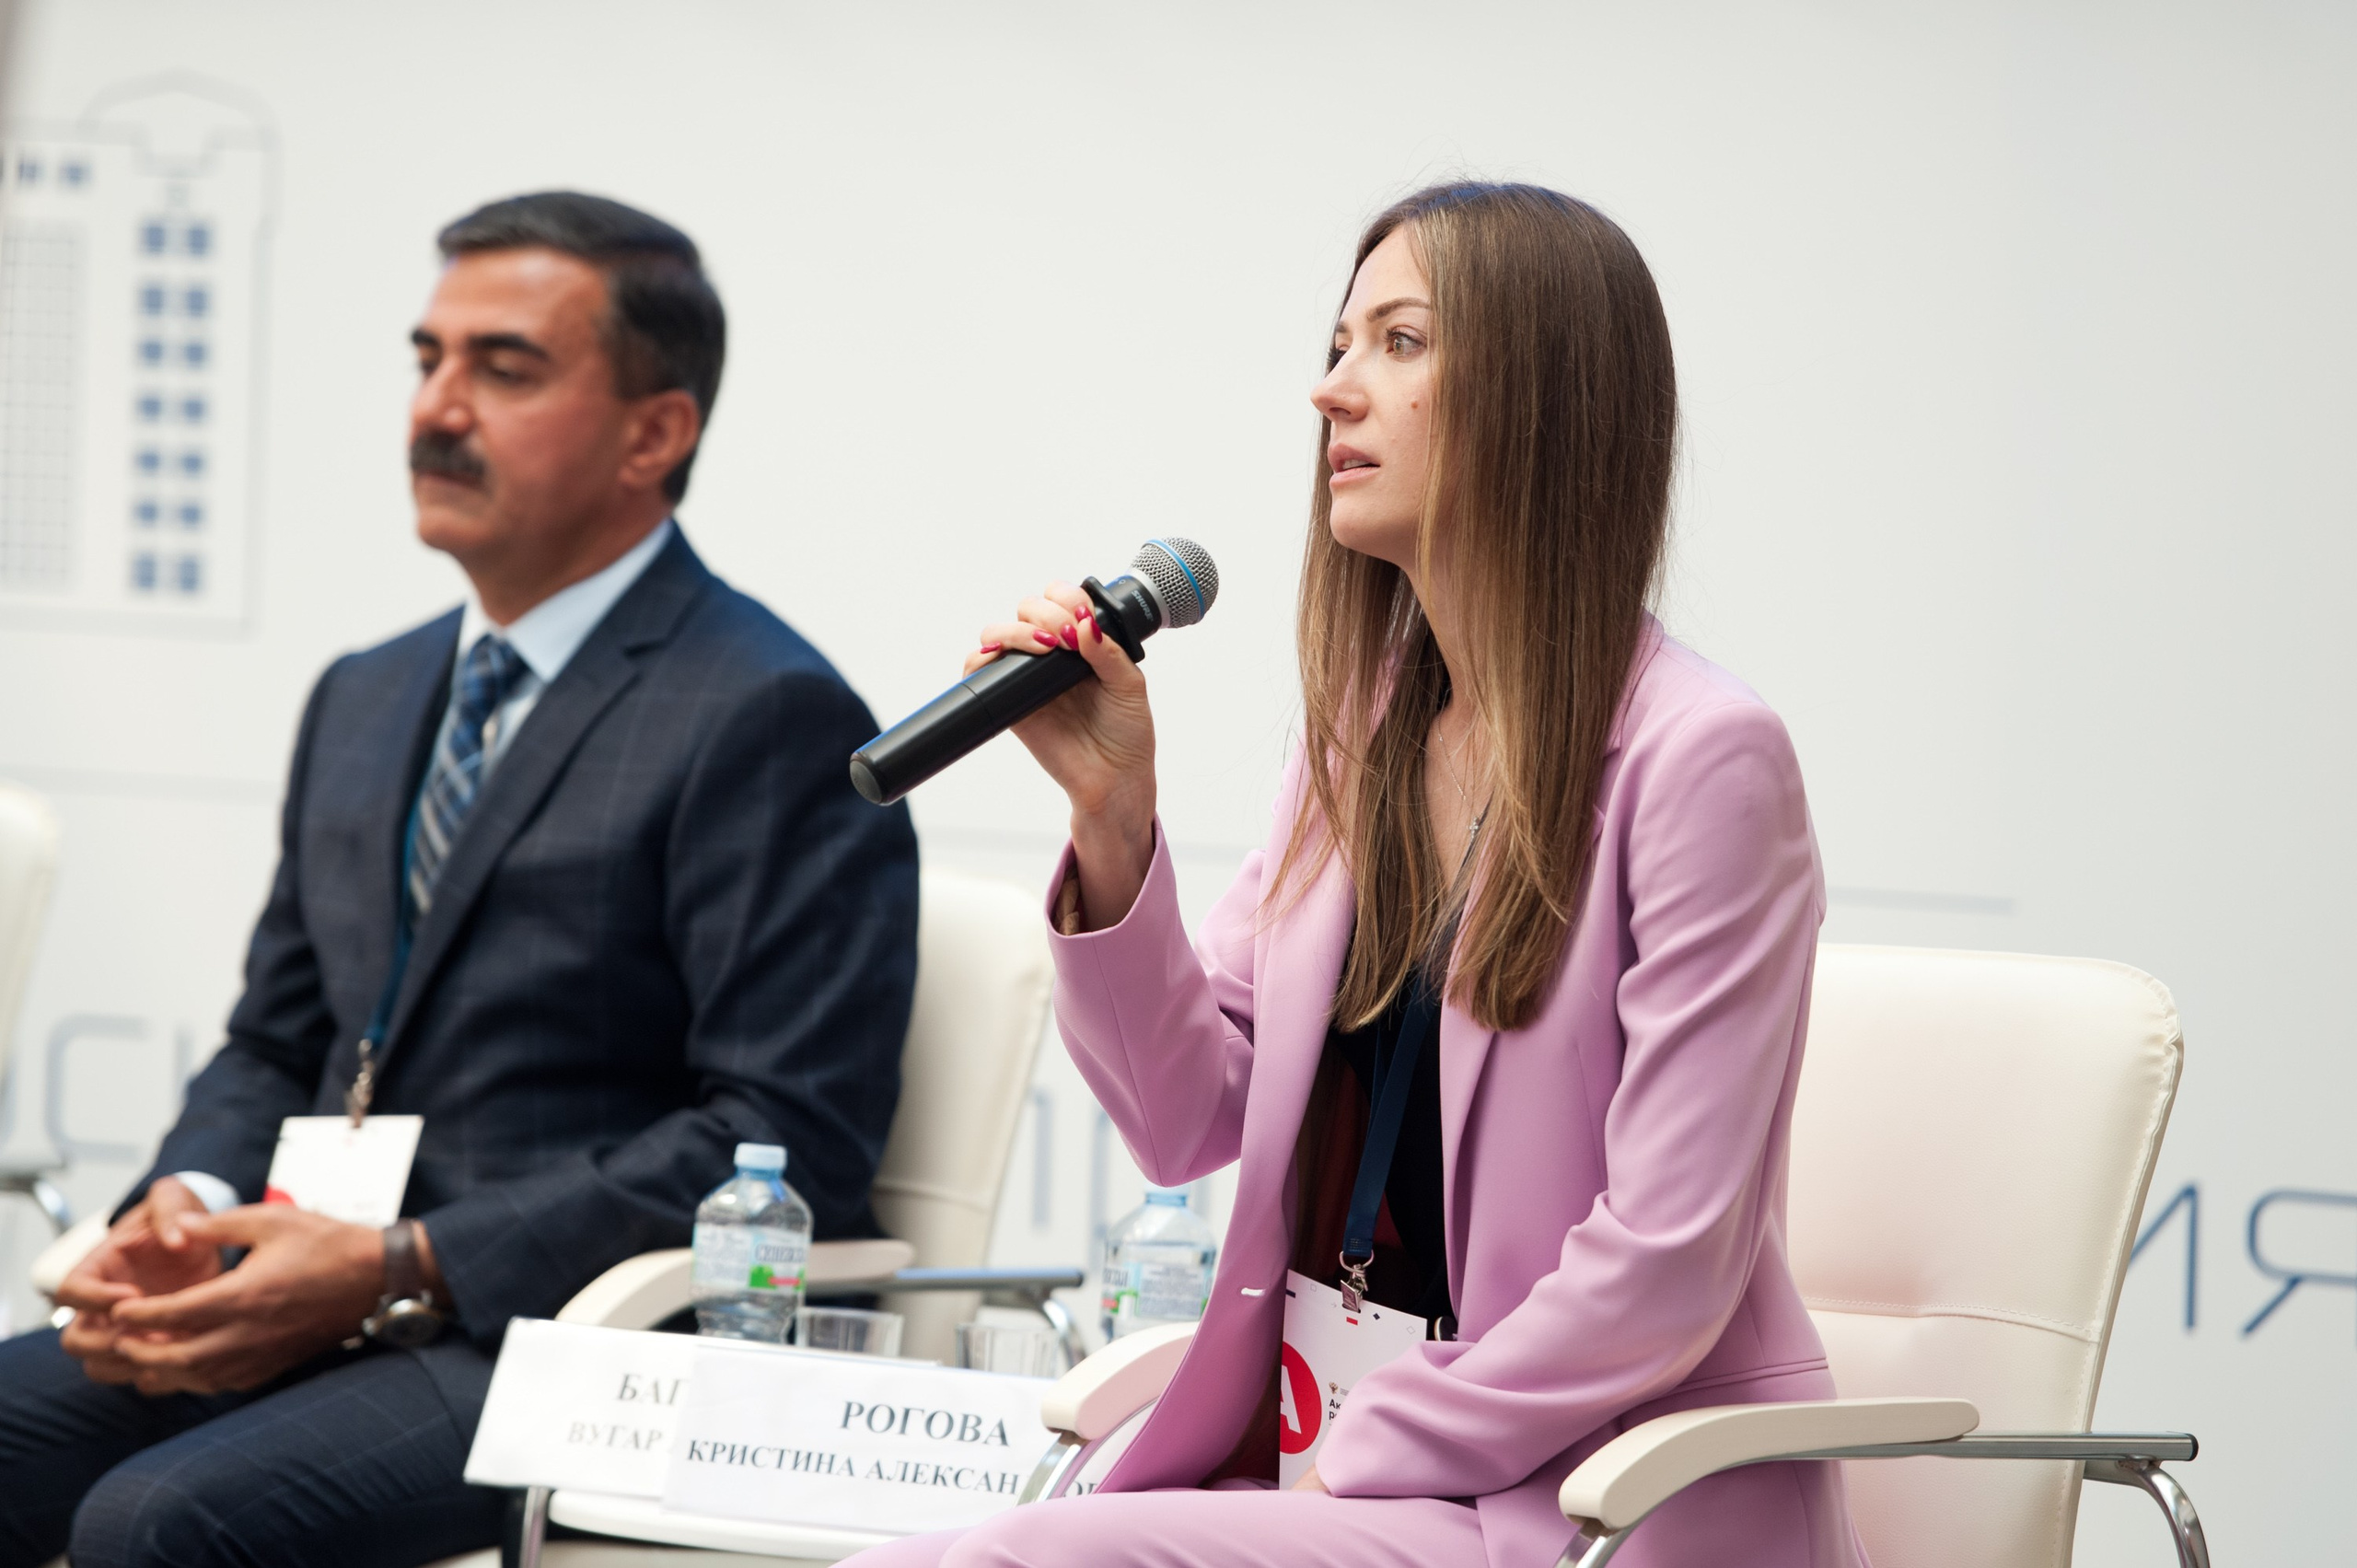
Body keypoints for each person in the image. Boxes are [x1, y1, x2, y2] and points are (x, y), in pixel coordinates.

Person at [853, 182, 1866, 1568]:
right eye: (1339, 346)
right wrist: (1113, 821)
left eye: (1399, 343)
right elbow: (1184, 1116)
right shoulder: (1364, 729)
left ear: (1543, 400)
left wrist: (1360, 1451)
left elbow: (1669, 1260)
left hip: (1571, 1505)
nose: (1333, 392)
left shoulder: (1701, 762)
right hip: (1334, 1468)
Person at [0, 192, 921, 1568]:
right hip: (319, 1285)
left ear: (654, 433)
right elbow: (279, 1036)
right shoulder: (367, 695)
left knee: (160, 1523)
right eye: (428, 360)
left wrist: (403, 1263)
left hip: (568, 1338)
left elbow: (783, 1134)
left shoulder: (767, 715)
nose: (436, 409)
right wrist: (185, 1200)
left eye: (504, 369)